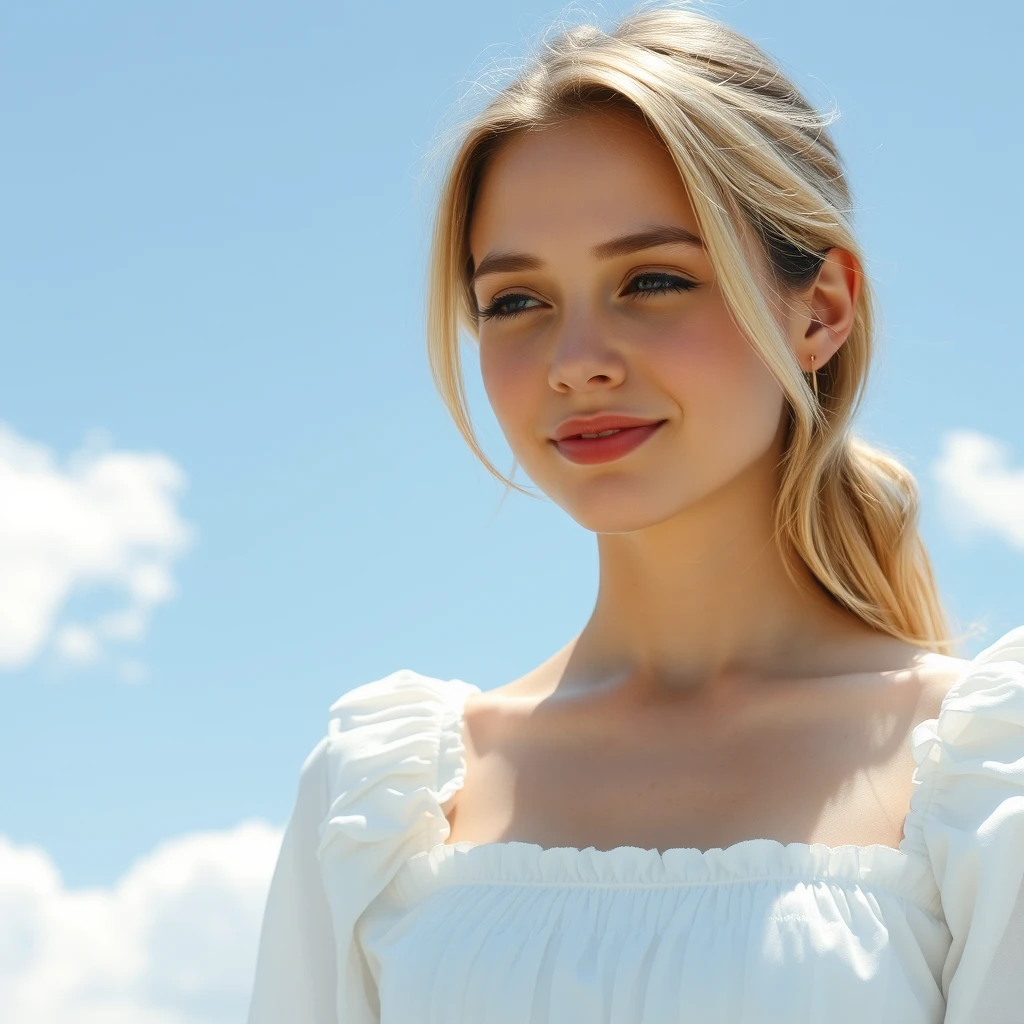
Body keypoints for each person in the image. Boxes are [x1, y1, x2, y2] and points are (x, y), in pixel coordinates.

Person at [246, 3, 1024, 1021]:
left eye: (653, 280)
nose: (576, 364)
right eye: (516, 300)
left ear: (820, 310)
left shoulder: (984, 776)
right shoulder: (377, 797)